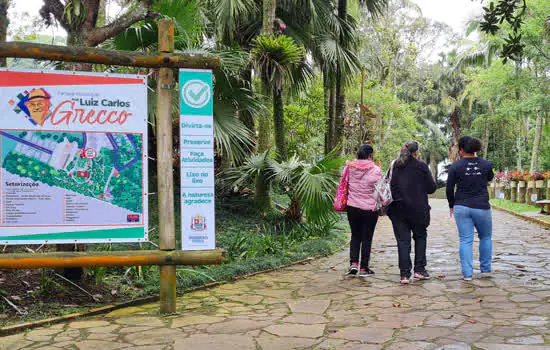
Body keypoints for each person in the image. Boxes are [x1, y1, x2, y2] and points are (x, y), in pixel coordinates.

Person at [446, 136, 494, 281]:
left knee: (465, 240)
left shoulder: (455, 166)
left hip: (461, 206)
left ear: (461, 150)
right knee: (485, 237)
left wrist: (451, 205)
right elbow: (489, 178)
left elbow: (449, 188)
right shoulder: (486, 164)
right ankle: (485, 270)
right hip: (482, 206)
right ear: (475, 150)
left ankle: (467, 274)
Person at [388, 141, 436, 284]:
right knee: (420, 237)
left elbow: (390, 186)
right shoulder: (421, 167)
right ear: (416, 153)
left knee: (403, 241)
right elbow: (431, 188)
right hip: (418, 210)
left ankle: (404, 275)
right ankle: (419, 270)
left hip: (398, 210)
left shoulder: (395, 166)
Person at [345, 144, 383, 277]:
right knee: (367, 238)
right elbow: (381, 190)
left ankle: (353, 264)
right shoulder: (376, 170)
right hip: (369, 209)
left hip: (352, 207)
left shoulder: (349, 168)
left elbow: (345, 183)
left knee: (355, 235)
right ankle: (363, 268)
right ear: (370, 155)